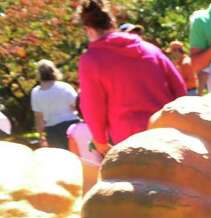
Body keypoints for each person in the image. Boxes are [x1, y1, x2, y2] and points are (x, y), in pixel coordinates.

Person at [75, 0, 186, 156]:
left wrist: (100, 140)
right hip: (168, 132)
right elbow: (179, 88)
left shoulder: (91, 60)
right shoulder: (150, 50)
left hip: (129, 141)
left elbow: (92, 105)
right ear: (112, 23)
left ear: (88, 30)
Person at [31, 61, 79, 150]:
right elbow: (76, 105)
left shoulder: (36, 92)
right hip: (71, 125)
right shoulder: (64, 87)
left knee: (61, 157)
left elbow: (38, 117)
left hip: (51, 129)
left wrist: (41, 136)